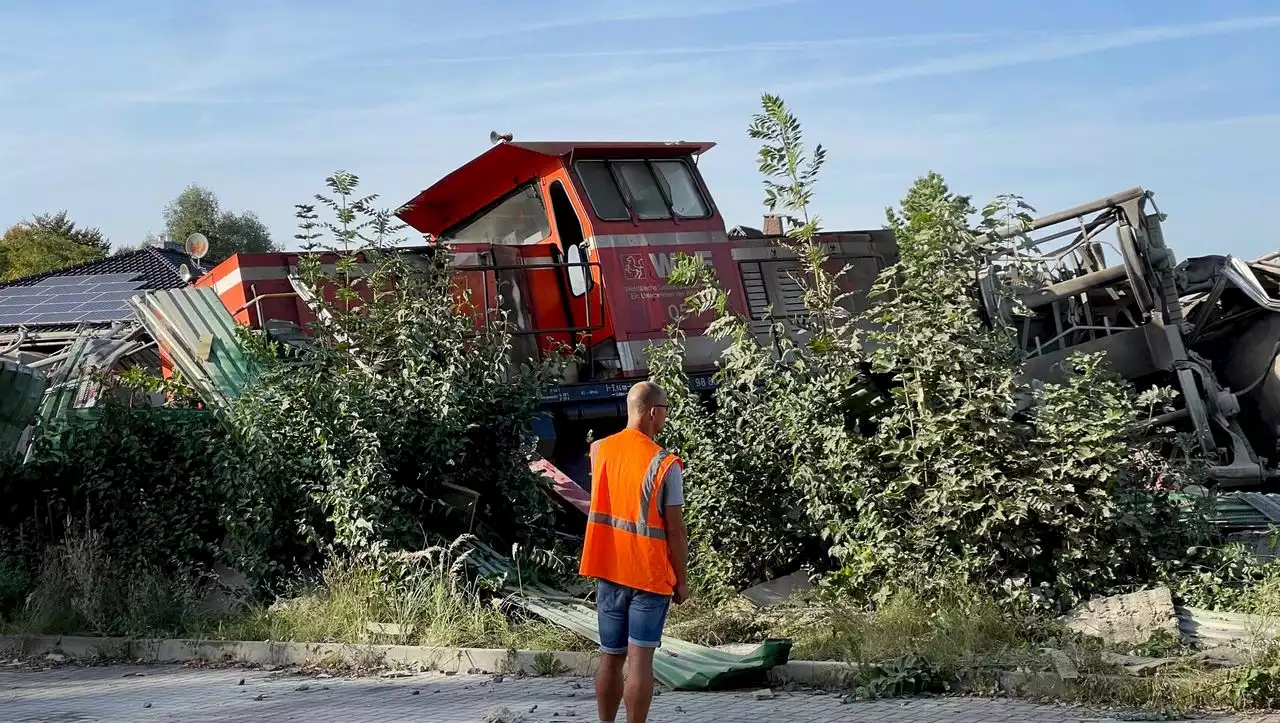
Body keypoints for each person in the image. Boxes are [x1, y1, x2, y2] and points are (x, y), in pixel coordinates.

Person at [579, 381, 689, 723]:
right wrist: (681, 581)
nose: (667, 417)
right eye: (666, 410)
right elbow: (675, 530)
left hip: (609, 569)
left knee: (610, 658)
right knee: (640, 661)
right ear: (654, 412)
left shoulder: (599, 451)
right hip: (649, 574)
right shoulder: (664, 464)